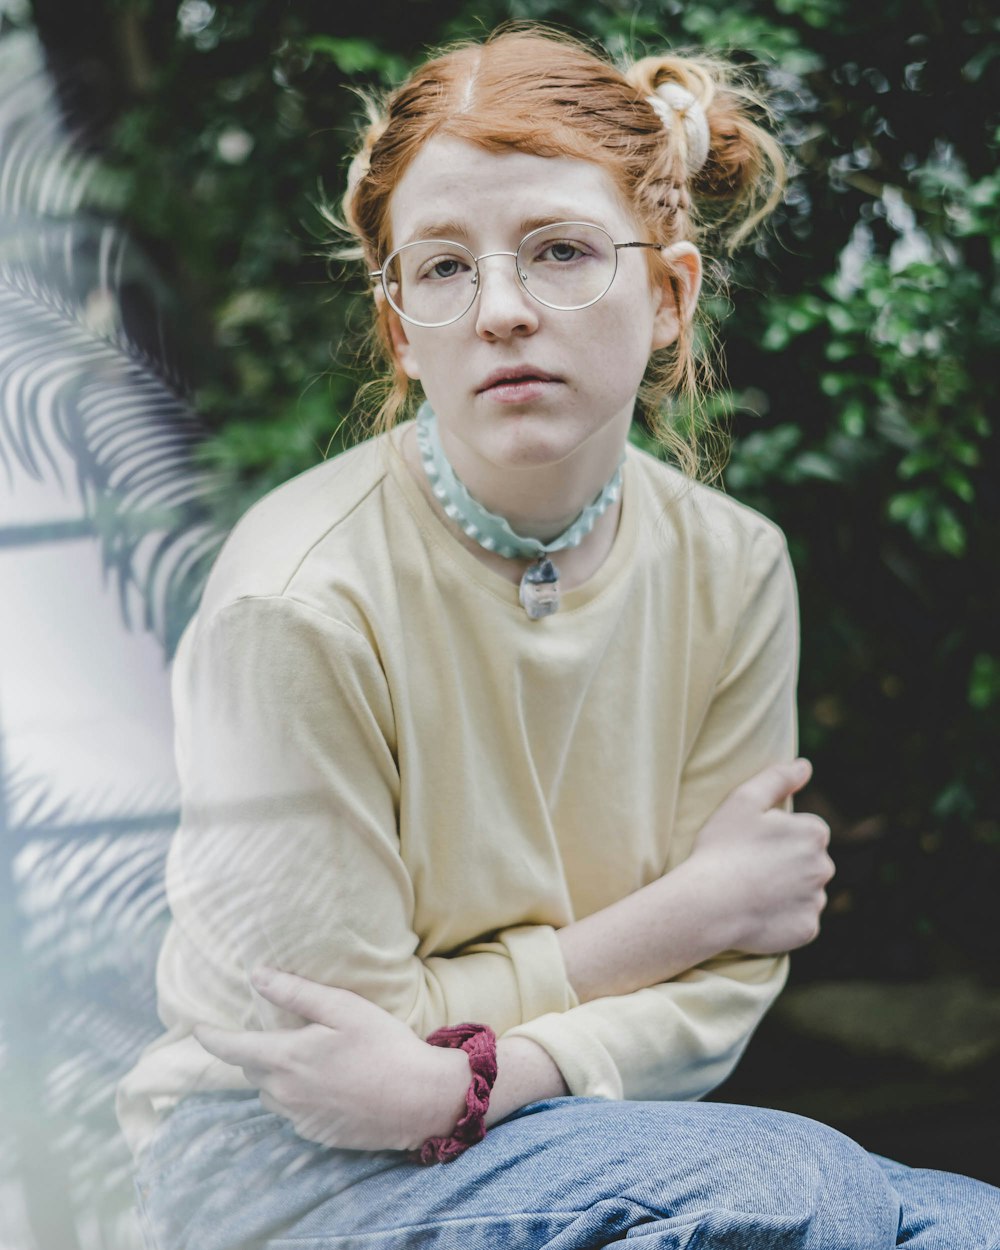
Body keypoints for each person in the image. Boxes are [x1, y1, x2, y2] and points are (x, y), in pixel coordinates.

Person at [116, 26, 1000, 1250]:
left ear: (669, 295)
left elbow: (726, 985)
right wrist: (680, 914)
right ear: (399, 331)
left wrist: (480, 1069)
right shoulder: (299, 604)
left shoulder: (734, 566)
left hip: (556, 1114)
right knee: (790, 1187)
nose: (503, 310)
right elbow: (341, 1052)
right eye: (441, 269)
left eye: (562, 252)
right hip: (272, 1159)